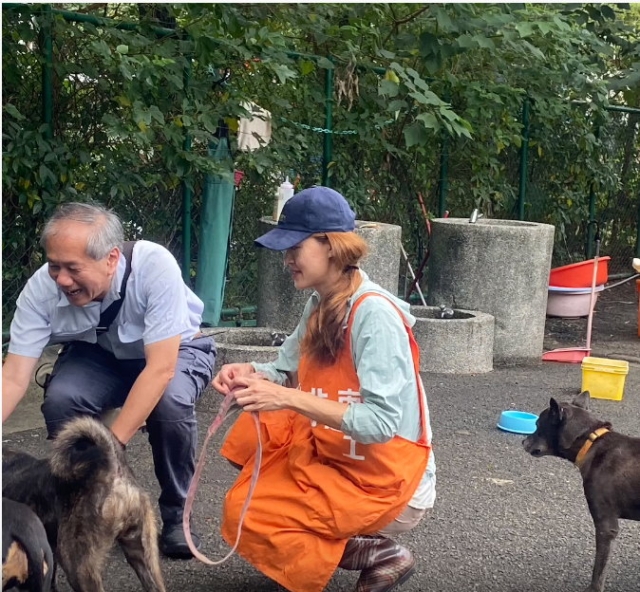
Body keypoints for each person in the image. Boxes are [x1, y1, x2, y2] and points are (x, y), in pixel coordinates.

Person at [212, 186, 436, 592]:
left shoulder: (374, 315)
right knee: (250, 440)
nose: (287, 260)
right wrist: (250, 373)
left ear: (332, 247)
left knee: (250, 513)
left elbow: (382, 424)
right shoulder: (321, 301)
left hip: (388, 474)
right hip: (340, 452)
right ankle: (334, 537)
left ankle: (378, 552)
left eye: (295, 247)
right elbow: (285, 370)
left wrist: (285, 396)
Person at [2, 201, 216, 559]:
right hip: (101, 356)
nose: (62, 279)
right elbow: (12, 376)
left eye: (73, 268)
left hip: (173, 352)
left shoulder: (153, 266)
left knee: (170, 402)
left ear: (111, 258)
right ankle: (77, 505)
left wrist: (107, 446)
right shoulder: (42, 289)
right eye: (55, 266)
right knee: (63, 398)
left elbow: (160, 369)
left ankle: (179, 514)